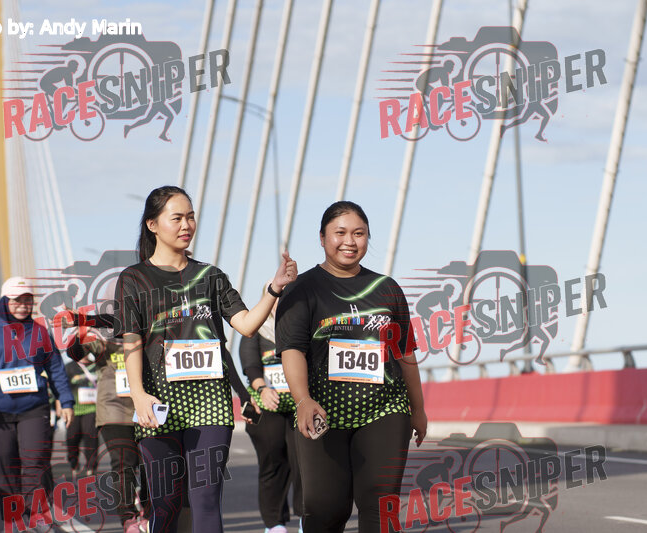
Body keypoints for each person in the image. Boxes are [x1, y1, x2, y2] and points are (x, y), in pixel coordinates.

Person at [115, 185, 297, 533]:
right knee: (165, 503)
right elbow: (132, 341)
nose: (187, 225)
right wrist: (138, 394)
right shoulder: (133, 279)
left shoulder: (210, 276)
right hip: (159, 403)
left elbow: (246, 325)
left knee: (206, 498)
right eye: (177, 218)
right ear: (153, 225)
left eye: (191, 217)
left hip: (209, 402)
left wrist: (274, 289)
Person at [276, 201, 428, 533]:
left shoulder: (386, 289)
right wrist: (302, 400)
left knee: (381, 505)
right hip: (322, 410)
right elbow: (292, 350)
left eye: (359, 234)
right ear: (322, 238)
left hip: (385, 409)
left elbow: (405, 354)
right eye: (340, 233)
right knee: (325, 508)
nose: (349, 241)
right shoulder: (302, 289)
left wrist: (418, 409)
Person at [0, 277, 75, 529]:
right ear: (4, 301)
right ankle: (13, 518)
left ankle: (35, 516)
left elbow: (56, 369)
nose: (23, 305)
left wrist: (65, 401)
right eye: (16, 300)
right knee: (2, 468)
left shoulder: (40, 332)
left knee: (35, 463)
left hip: (33, 408)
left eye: (27, 300)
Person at [66, 309, 151, 533]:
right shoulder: (102, 338)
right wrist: (79, 334)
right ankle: (129, 517)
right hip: (114, 410)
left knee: (150, 463)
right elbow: (75, 353)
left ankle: (149, 511)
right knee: (123, 462)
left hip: (146, 407)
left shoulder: (149, 329)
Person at [239, 289, 302, 533]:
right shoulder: (256, 326)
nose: (279, 303)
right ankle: (274, 524)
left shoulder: (303, 325)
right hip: (266, 406)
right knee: (272, 465)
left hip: (299, 406)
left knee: (304, 464)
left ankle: (307, 518)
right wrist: (263, 389)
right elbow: (250, 364)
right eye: (275, 299)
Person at [60, 358, 97, 478]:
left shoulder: (96, 365)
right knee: (72, 438)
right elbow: (62, 387)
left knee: (90, 437)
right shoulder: (69, 367)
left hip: (92, 408)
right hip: (74, 409)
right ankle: (74, 464)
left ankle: (91, 466)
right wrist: (60, 404)